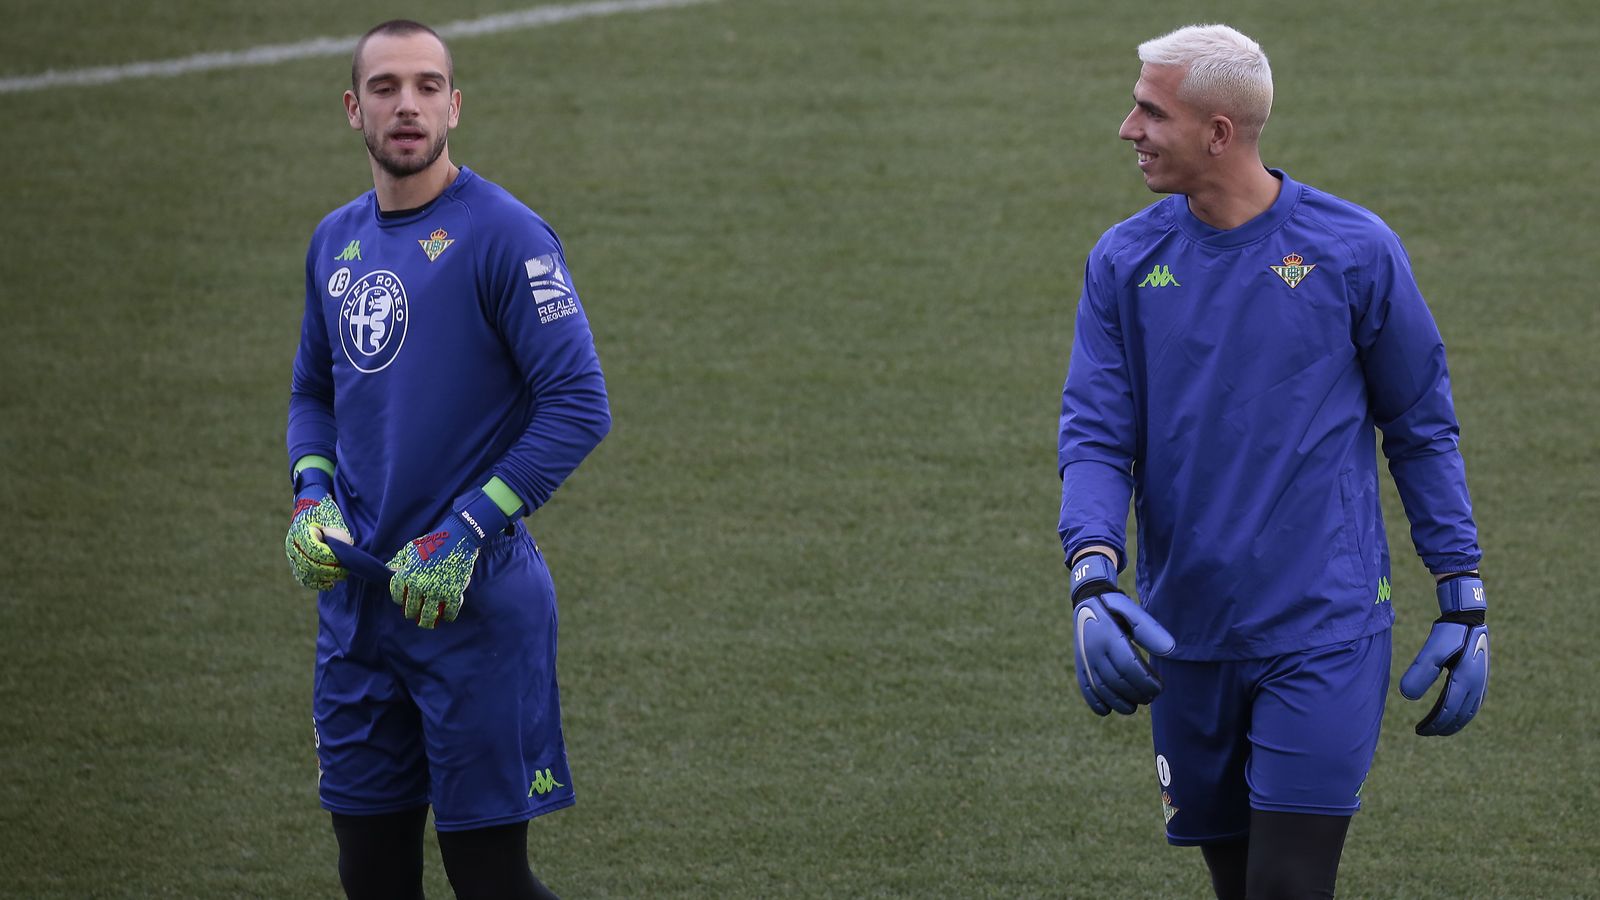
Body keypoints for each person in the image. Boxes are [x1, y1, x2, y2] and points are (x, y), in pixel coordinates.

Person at [1057, 23, 1488, 899]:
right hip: (1187, 635)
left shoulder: (1356, 251)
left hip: (1321, 631)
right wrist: (1092, 572)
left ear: (1219, 132)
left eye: (1150, 110)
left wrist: (1462, 586)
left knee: (1289, 888)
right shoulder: (1125, 261)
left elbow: (1419, 426)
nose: (1126, 129)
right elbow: (1098, 434)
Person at [282, 19, 610, 900]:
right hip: (359, 610)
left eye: (428, 86)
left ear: (455, 106)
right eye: (385, 87)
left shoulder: (507, 236)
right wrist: (311, 491)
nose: (408, 105)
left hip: (473, 608)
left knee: (490, 879)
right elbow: (314, 391)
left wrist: (469, 525)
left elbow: (581, 403)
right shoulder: (333, 243)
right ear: (354, 109)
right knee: (372, 876)